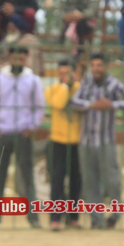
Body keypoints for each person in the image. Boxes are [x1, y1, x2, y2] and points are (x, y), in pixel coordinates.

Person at [69, 52, 124, 229]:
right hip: (86, 141)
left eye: (99, 65)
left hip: (106, 140)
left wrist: (112, 105)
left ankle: (115, 214)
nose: (96, 69)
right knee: (89, 181)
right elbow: (74, 102)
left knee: (112, 181)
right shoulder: (86, 83)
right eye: (93, 66)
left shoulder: (114, 85)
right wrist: (90, 105)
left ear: (106, 67)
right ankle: (96, 220)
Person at [0, 46, 45, 229]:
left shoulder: (33, 80)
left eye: (22, 59)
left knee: (27, 176)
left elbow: (39, 106)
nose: (18, 62)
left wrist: (32, 126)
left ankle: (33, 218)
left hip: (23, 133)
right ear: (9, 58)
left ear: (26, 60)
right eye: (15, 58)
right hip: (4, 133)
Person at [46, 59, 83, 231]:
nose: (64, 77)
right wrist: (65, 87)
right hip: (58, 140)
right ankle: (55, 218)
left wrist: (73, 86)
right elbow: (58, 103)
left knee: (76, 181)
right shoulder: (52, 90)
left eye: (67, 74)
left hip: (77, 141)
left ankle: (73, 217)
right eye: (61, 74)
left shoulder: (80, 89)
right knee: (57, 180)